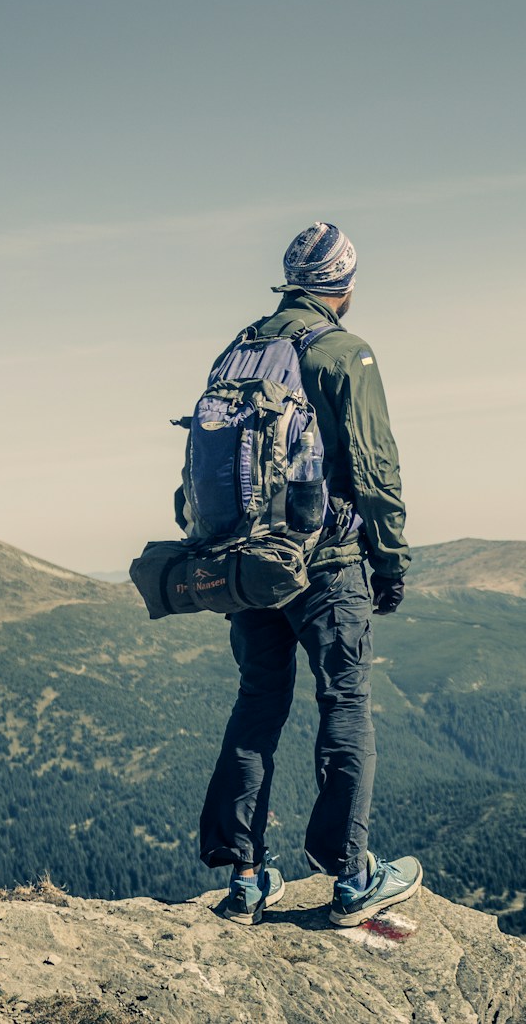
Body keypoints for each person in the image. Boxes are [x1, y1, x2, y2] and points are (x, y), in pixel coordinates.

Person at [194, 222, 422, 926]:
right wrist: (391, 561)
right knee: (344, 701)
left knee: (258, 702)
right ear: (343, 285)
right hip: (326, 562)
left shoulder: (239, 350)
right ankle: (352, 880)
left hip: (249, 563)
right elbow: (376, 469)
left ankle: (247, 880)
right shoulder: (343, 352)